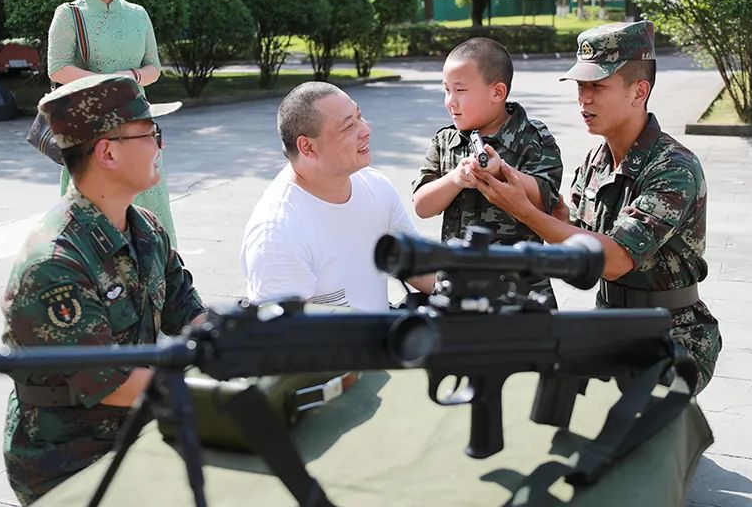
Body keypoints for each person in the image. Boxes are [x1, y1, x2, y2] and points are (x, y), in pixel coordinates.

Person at [473, 21, 721, 393]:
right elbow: (568, 228)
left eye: (598, 86)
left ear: (639, 91)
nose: (584, 98)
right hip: (609, 322)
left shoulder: (673, 167)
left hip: (672, 336)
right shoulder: (596, 160)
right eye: (580, 87)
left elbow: (615, 259)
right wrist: (511, 178)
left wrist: (525, 211)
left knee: (626, 428)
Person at [1, 75, 208, 505]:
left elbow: (189, 314)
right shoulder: (54, 264)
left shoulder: (145, 229)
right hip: (67, 461)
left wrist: (252, 343)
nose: (160, 147)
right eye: (151, 134)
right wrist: (224, 392)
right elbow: (110, 382)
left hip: (135, 432)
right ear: (108, 152)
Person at [240, 82, 434, 312]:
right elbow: (282, 339)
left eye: (360, 117)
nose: (366, 130)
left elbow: (418, 269)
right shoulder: (277, 233)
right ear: (307, 147)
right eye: (348, 126)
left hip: (383, 338)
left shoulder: (376, 185)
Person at [412, 37, 563, 307]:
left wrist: (503, 171)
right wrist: (455, 179)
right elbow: (422, 206)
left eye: (460, 90)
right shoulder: (446, 140)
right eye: (446, 90)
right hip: (457, 291)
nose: (450, 101)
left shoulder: (533, 138)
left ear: (497, 92)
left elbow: (546, 199)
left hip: (521, 293)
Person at [47, 0, 178, 246]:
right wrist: (107, 84)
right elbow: (58, 67)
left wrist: (130, 75)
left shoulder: (138, 14)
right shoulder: (70, 14)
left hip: (138, 125)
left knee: (148, 200)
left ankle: (160, 275)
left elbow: (154, 68)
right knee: (98, 206)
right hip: (93, 127)